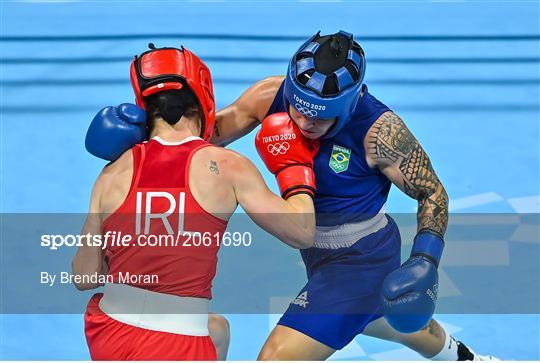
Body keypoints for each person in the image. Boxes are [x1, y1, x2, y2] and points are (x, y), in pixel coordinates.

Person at [84, 33, 497, 361]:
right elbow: (207, 133)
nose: (303, 121)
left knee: (279, 357)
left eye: (319, 115)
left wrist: (426, 257)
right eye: (298, 109)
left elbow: (432, 192)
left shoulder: (381, 132)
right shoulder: (271, 95)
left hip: (360, 258)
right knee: (377, 316)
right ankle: (462, 358)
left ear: (351, 102)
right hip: (319, 254)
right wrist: (146, 133)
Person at [74, 44, 318, 360]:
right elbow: (301, 231)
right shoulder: (226, 166)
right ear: (203, 100)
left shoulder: (112, 173)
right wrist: (294, 168)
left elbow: (84, 277)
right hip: (177, 343)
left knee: (217, 330)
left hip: (108, 333)